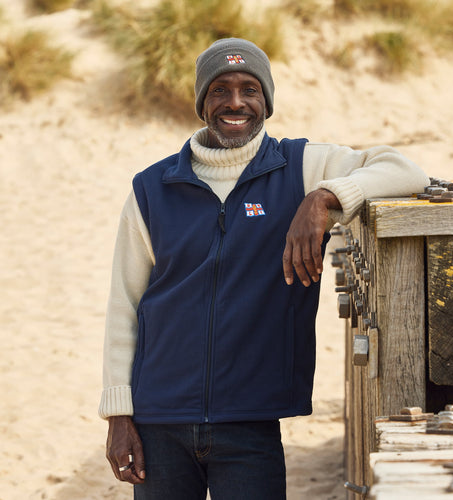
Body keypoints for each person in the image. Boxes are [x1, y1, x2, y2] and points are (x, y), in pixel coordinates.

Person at [99, 38, 429, 499]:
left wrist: (323, 198)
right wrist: (118, 415)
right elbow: (125, 305)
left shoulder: (301, 166)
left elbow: (405, 169)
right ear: (202, 102)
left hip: (251, 421)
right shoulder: (152, 188)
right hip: (159, 422)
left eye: (250, 89)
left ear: (266, 101)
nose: (235, 103)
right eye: (220, 90)